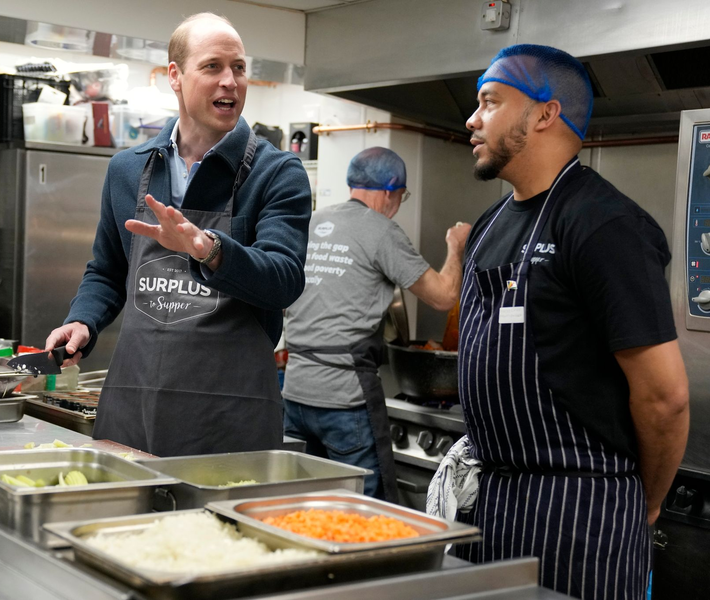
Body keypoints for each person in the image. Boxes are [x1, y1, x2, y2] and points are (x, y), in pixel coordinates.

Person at [428, 44, 690, 599]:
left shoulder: (605, 225)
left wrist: (644, 502)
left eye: (490, 102)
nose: (472, 119)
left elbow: (665, 397)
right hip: (490, 505)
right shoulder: (491, 222)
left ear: (545, 113)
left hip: (580, 514)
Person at [45, 13, 312, 456]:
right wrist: (82, 320)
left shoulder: (276, 172)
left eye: (239, 68)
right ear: (175, 75)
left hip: (229, 418)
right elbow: (108, 270)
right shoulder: (127, 169)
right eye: (212, 67)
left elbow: (284, 279)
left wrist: (207, 249)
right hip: (134, 405)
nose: (231, 81)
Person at [282, 147, 471, 502]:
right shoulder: (381, 231)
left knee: (304, 502)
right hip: (344, 398)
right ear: (390, 191)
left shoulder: (311, 222)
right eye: (401, 196)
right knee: (363, 505)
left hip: (294, 393)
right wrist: (456, 245)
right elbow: (444, 297)